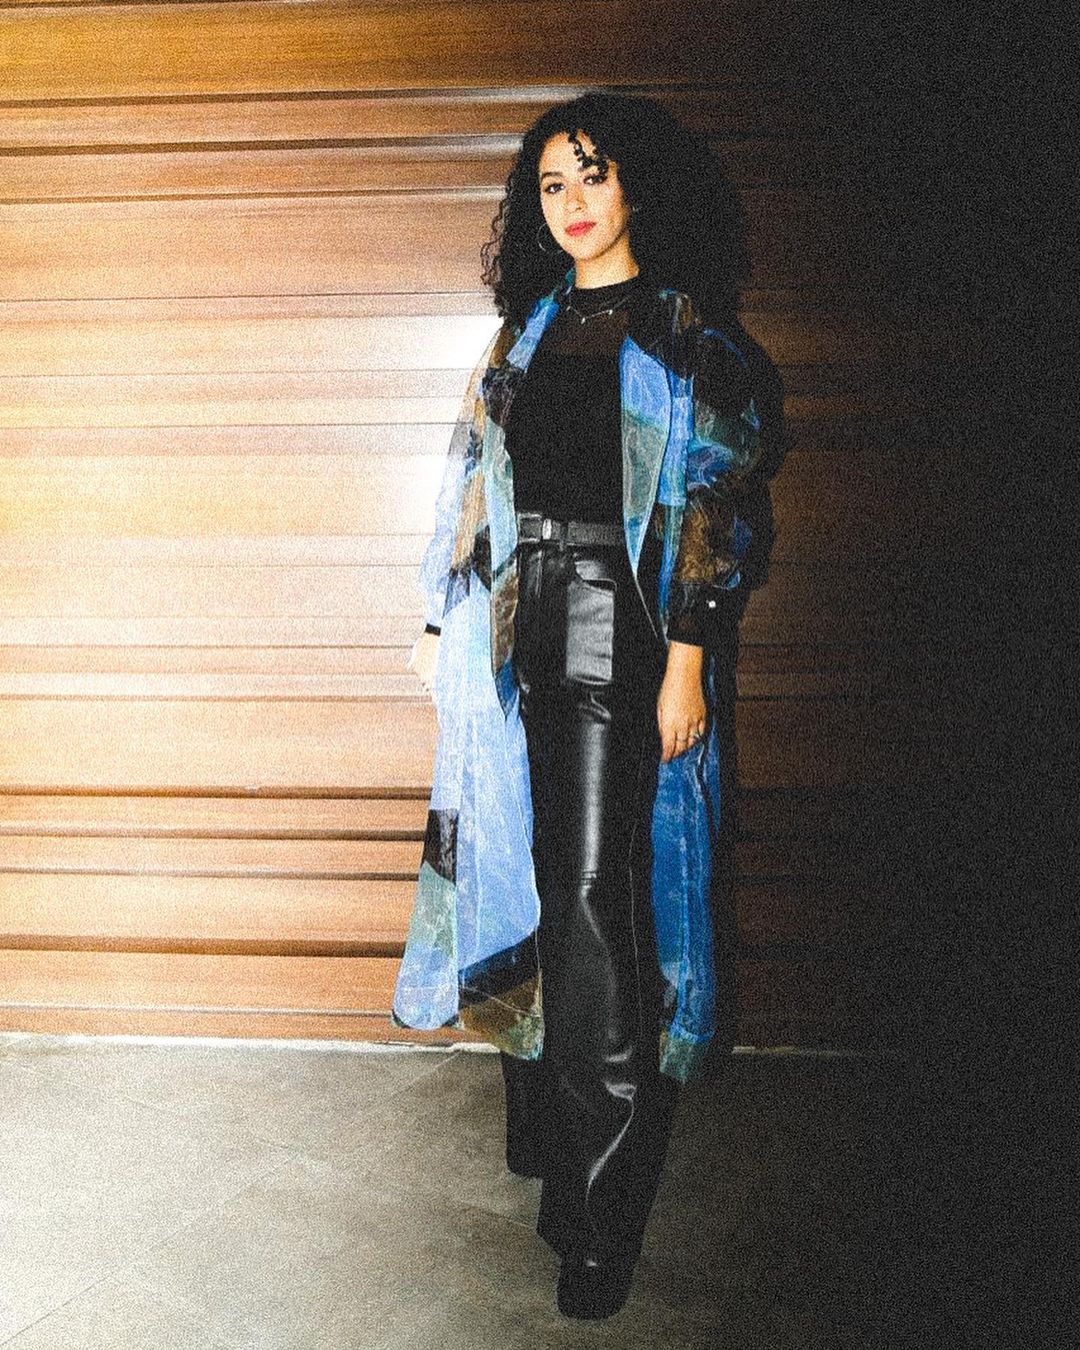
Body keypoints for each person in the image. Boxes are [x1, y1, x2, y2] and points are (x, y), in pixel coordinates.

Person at [391, 92, 785, 1319]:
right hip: (511, 630)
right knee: (517, 871)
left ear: (638, 189)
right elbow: (473, 477)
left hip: (624, 630)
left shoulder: (692, 342)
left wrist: (688, 661)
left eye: (592, 176)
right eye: (551, 184)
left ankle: (602, 1217)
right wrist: (437, 618)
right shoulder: (525, 334)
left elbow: (720, 512)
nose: (571, 202)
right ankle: (551, 1151)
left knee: (595, 903)